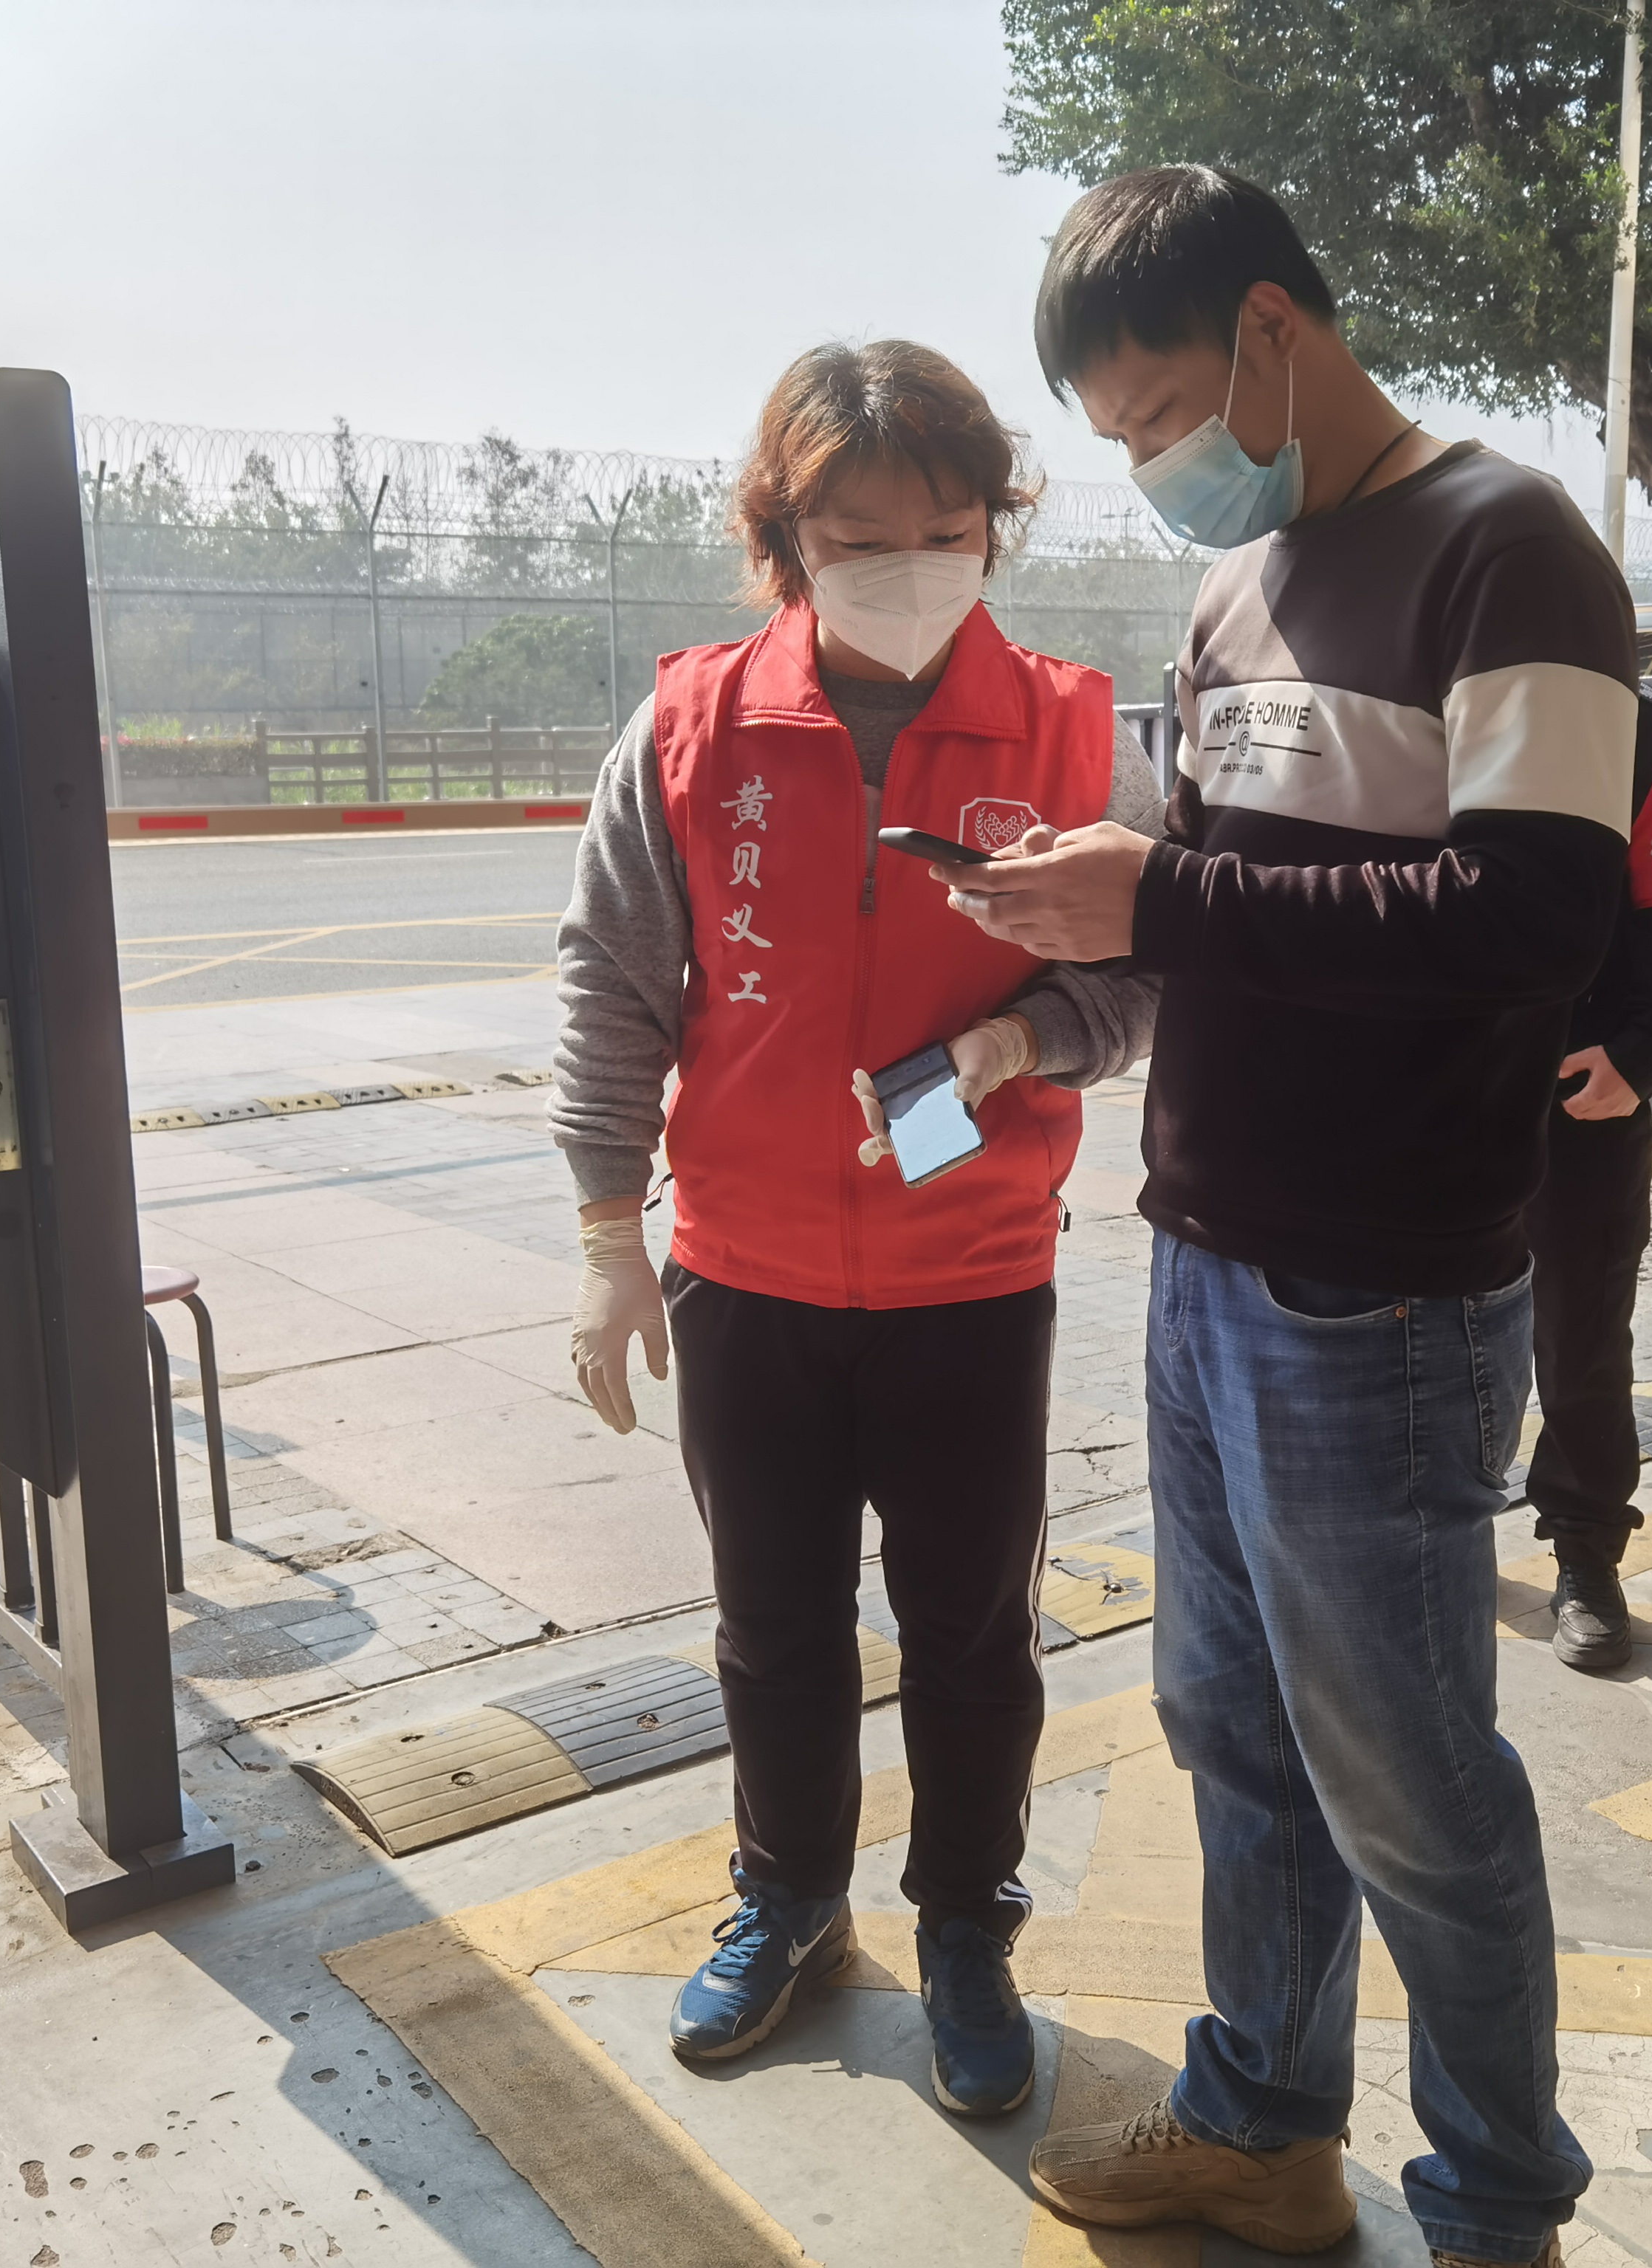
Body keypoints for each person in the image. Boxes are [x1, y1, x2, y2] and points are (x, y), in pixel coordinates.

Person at [953, 165, 1632, 2268]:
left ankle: (1497, 2203)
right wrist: (1085, 950)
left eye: (1162, 414)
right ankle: (1262, 2120)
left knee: (1410, 1783)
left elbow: (1534, 913)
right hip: (1206, 1261)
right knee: (1232, 1735)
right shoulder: (1236, 585)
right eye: (1119, 439)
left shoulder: (1509, 548)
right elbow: (1232, 903)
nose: (1155, 464)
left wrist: (1158, 893)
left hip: (1380, 1297)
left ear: (1272, 328)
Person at [548, 338, 1163, 2117]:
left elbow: (1143, 978)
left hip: (969, 1277)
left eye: (943, 533)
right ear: (783, 542)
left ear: (992, 530)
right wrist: (606, 1236)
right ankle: (789, 1902)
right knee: (773, 1627)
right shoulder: (689, 734)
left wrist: (1016, 1042)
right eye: (856, 539)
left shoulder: (1071, 734)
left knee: (971, 1634)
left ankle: (965, 1923)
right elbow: (611, 989)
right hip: (743, 1278)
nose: (905, 568)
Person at [1521, 691, 1652, 1671]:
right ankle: (1420, 1532)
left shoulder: (1637, 730)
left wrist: (1644, 1052)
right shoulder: (1410, 694)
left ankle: (1586, 1547)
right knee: (1406, 1321)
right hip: (1424, 1081)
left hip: (1580, 1087)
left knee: (1582, 1330)